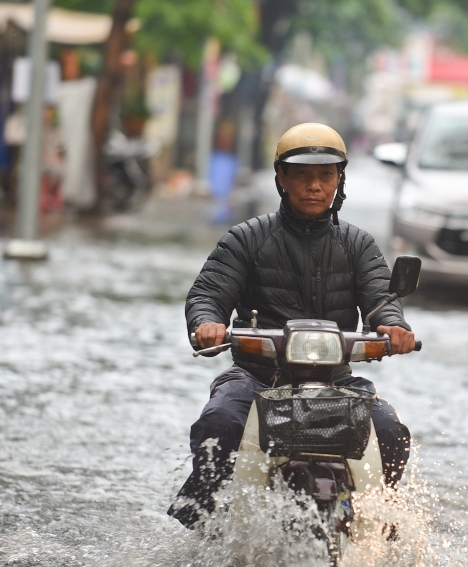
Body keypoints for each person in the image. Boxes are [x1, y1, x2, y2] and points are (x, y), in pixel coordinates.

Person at [169, 123, 418, 529]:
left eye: (325, 175)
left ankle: (380, 525)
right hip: (258, 377)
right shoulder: (245, 239)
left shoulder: (358, 245)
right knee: (220, 421)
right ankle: (205, 525)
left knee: (391, 430)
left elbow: (381, 300)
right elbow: (208, 295)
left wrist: (392, 326)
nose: (314, 186)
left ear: (340, 179)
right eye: (302, 175)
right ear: (281, 179)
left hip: (337, 381)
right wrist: (207, 322)